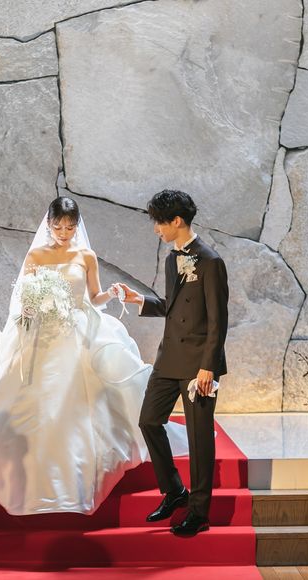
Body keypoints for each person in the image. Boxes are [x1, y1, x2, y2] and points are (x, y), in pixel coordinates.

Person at [0, 197, 188, 516]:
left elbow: (93, 298)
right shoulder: (37, 255)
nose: (64, 233)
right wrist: (30, 315)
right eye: (58, 227)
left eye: (70, 227)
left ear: (77, 226)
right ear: (49, 225)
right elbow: (25, 298)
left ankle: (80, 468)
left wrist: (111, 294)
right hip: (44, 331)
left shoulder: (86, 256)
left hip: (78, 328)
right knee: (36, 397)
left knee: (83, 394)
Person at [118, 190, 229, 537]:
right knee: (149, 421)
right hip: (169, 360)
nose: (156, 229)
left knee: (199, 439)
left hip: (199, 366)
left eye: (159, 222)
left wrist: (209, 366)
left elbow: (218, 321)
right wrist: (141, 300)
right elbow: (174, 305)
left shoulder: (210, 261)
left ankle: (199, 513)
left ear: (176, 221)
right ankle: (175, 490)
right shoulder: (172, 259)